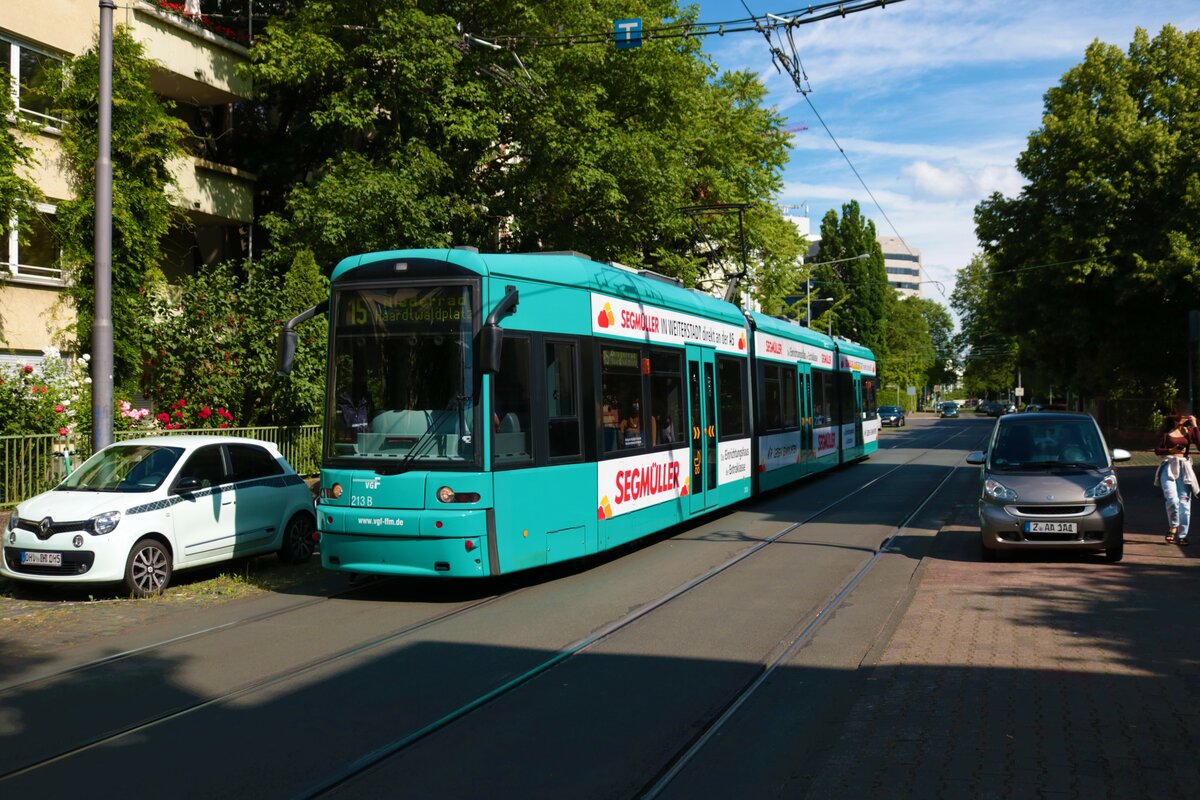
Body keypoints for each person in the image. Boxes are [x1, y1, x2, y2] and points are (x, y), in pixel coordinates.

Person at [1154, 412, 1200, 545]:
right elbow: (1157, 450)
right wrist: (1170, 451)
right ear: (1176, 418)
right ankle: (1174, 526)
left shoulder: (1189, 431)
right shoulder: (1166, 432)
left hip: (1184, 467)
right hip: (1169, 466)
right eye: (1184, 415)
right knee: (1172, 499)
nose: (1187, 417)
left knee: (1184, 502)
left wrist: (1195, 425)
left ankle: (1182, 535)